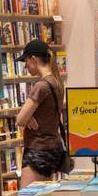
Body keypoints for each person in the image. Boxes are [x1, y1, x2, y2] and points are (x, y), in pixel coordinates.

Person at [15, 39, 66, 187]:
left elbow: (20, 120)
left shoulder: (41, 86)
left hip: (38, 149)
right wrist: (30, 115)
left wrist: (27, 115)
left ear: (33, 59)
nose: (25, 66)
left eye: (26, 61)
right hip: (53, 148)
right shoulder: (57, 82)